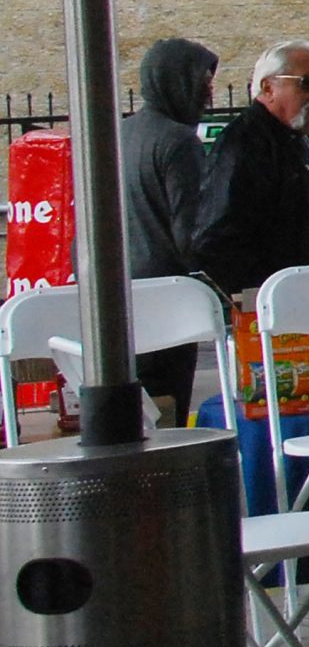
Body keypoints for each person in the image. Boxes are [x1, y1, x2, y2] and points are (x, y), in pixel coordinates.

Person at [191, 40, 309, 296]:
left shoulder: (303, 140)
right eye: (308, 83)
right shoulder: (245, 144)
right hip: (280, 311)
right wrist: (260, 303)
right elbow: (218, 241)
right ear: (268, 87)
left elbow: (297, 218)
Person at [121, 36, 219, 412]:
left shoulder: (123, 132)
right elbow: (190, 232)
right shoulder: (179, 142)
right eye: (202, 86)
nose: (208, 97)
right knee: (166, 410)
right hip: (165, 297)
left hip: (118, 295)